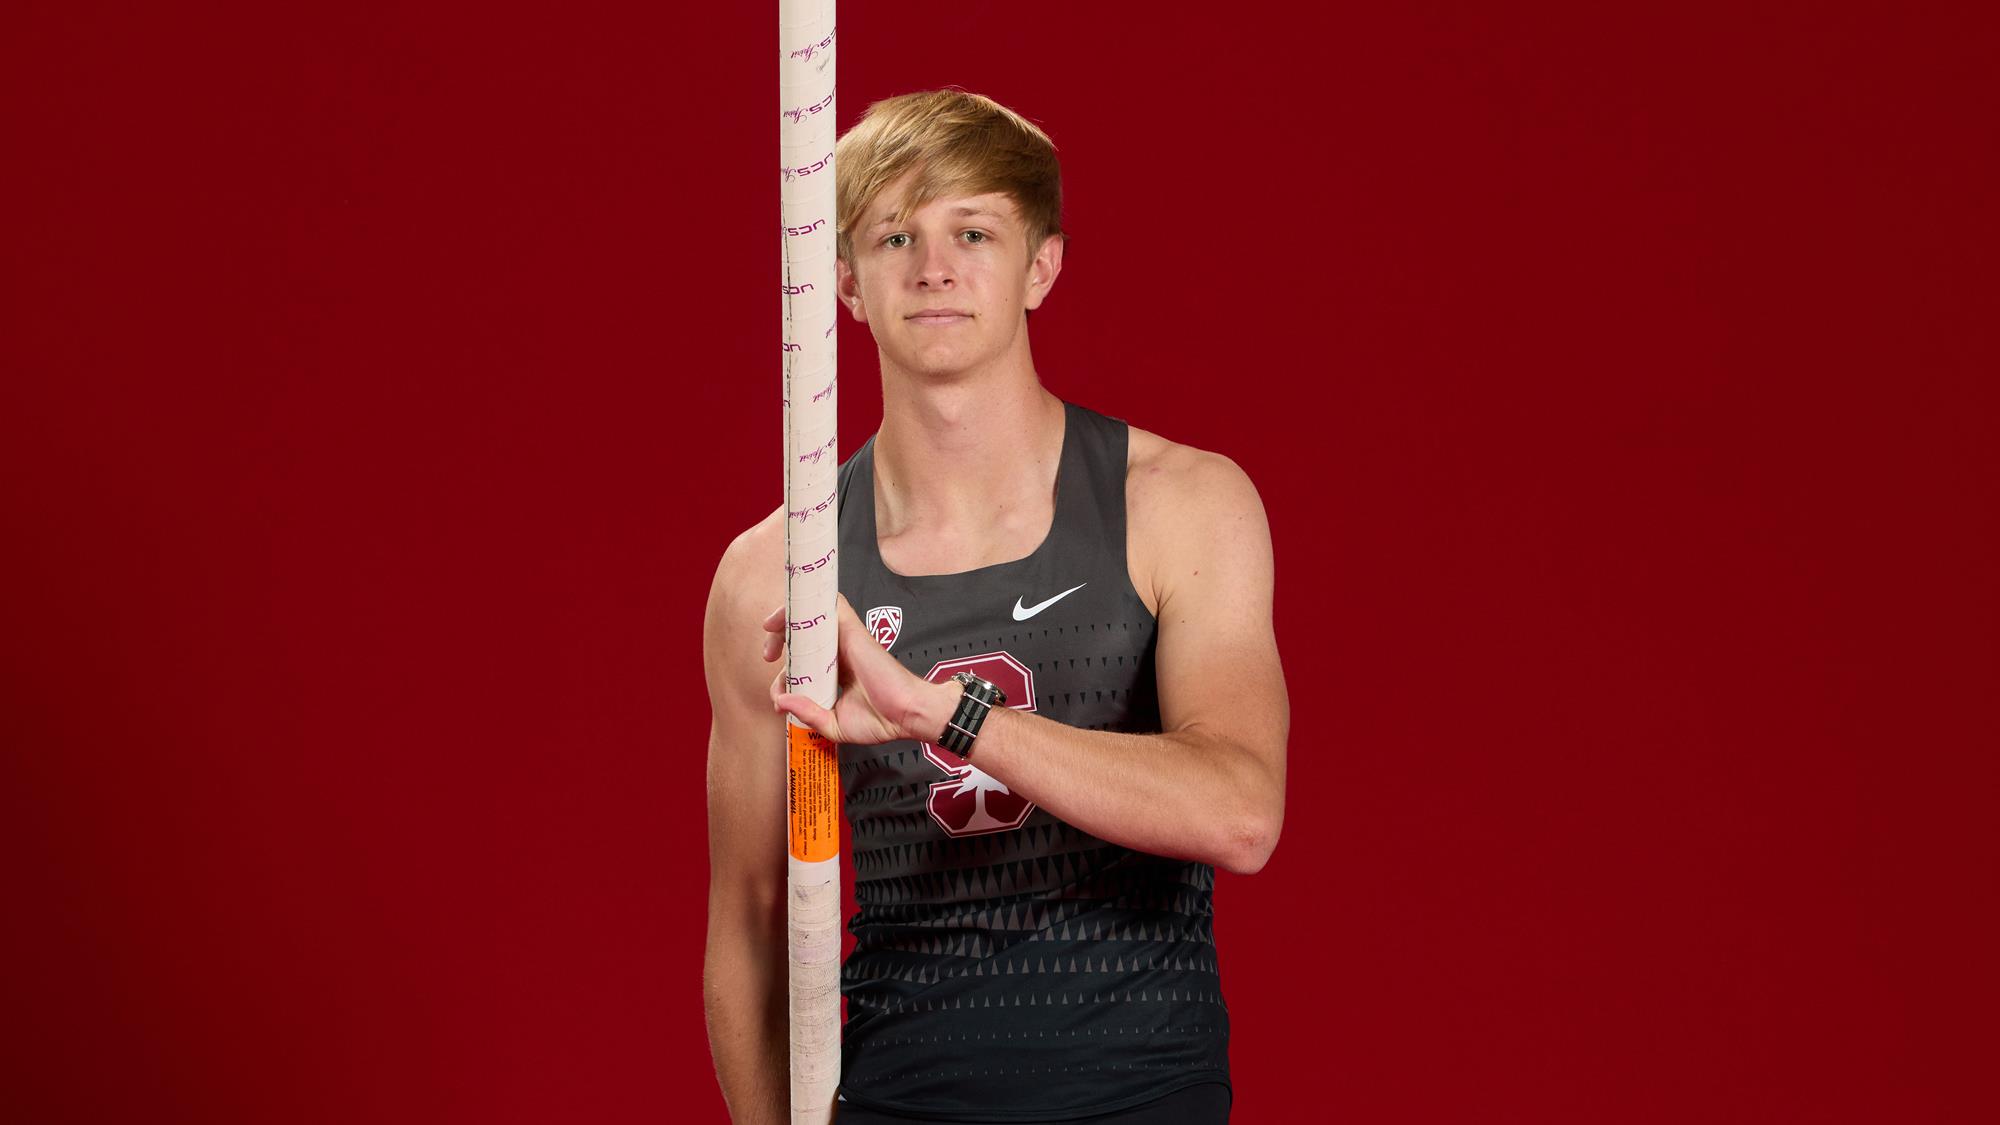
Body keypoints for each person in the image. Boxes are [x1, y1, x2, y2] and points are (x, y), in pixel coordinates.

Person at [703, 89, 1288, 1124]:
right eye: (895, 236)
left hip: (1141, 1100)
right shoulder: (778, 576)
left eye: (971, 231)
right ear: (842, 279)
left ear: (1041, 266)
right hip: (897, 1101)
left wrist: (945, 715)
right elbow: (751, 923)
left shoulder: (1176, 506)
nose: (932, 266)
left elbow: (1237, 811)